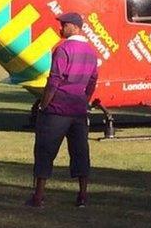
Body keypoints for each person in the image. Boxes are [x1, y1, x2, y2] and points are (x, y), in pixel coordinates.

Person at [26, 12, 99, 208]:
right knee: (80, 152)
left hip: (58, 109)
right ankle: (82, 196)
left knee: (44, 151)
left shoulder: (63, 49)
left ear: (74, 27)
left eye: (63, 24)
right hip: (79, 109)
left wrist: (44, 104)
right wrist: (85, 100)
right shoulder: (91, 52)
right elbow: (93, 81)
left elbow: (54, 80)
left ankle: (38, 196)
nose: (60, 27)